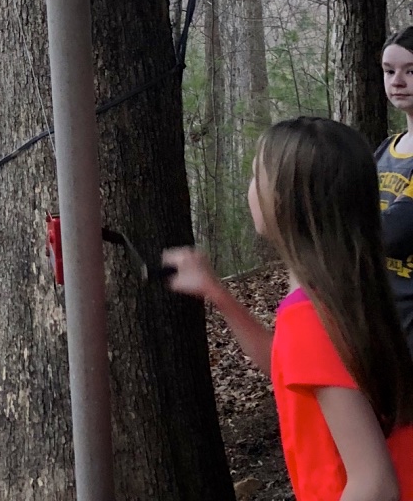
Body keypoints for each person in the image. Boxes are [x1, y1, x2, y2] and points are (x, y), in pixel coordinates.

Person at [164, 116, 413, 501]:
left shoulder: (312, 316)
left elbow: (375, 485)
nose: (248, 189)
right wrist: (219, 295)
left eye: (253, 176)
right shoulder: (345, 289)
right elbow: (290, 368)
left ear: (283, 201)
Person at [379, 27, 413, 353]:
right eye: (390, 71)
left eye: (411, 71)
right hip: (386, 325)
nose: (397, 81)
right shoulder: (386, 150)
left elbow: (393, 233)